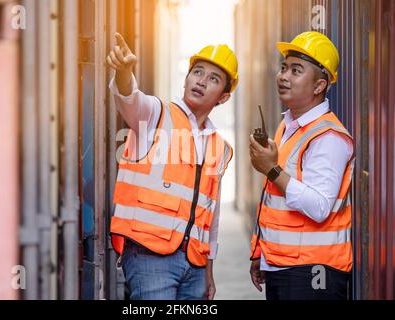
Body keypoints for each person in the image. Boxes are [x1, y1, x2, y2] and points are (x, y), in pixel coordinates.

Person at [107, 33, 238, 300]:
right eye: (197, 72)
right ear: (187, 77)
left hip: (195, 265)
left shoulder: (219, 146)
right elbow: (129, 97)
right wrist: (124, 72)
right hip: (149, 256)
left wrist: (208, 270)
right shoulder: (156, 114)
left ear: (223, 97)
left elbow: (210, 216)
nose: (201, 80)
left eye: (213, 78)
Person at [248, 31, 354, 300]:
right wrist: (261, 254)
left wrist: (271, 169)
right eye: (283, 68)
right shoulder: (289, 126)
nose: (284, 76)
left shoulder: (328, 137)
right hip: (284, 265)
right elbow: (273, 202)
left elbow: (319, 207)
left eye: (296, 70)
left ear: (319, 86)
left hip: (313, 272)